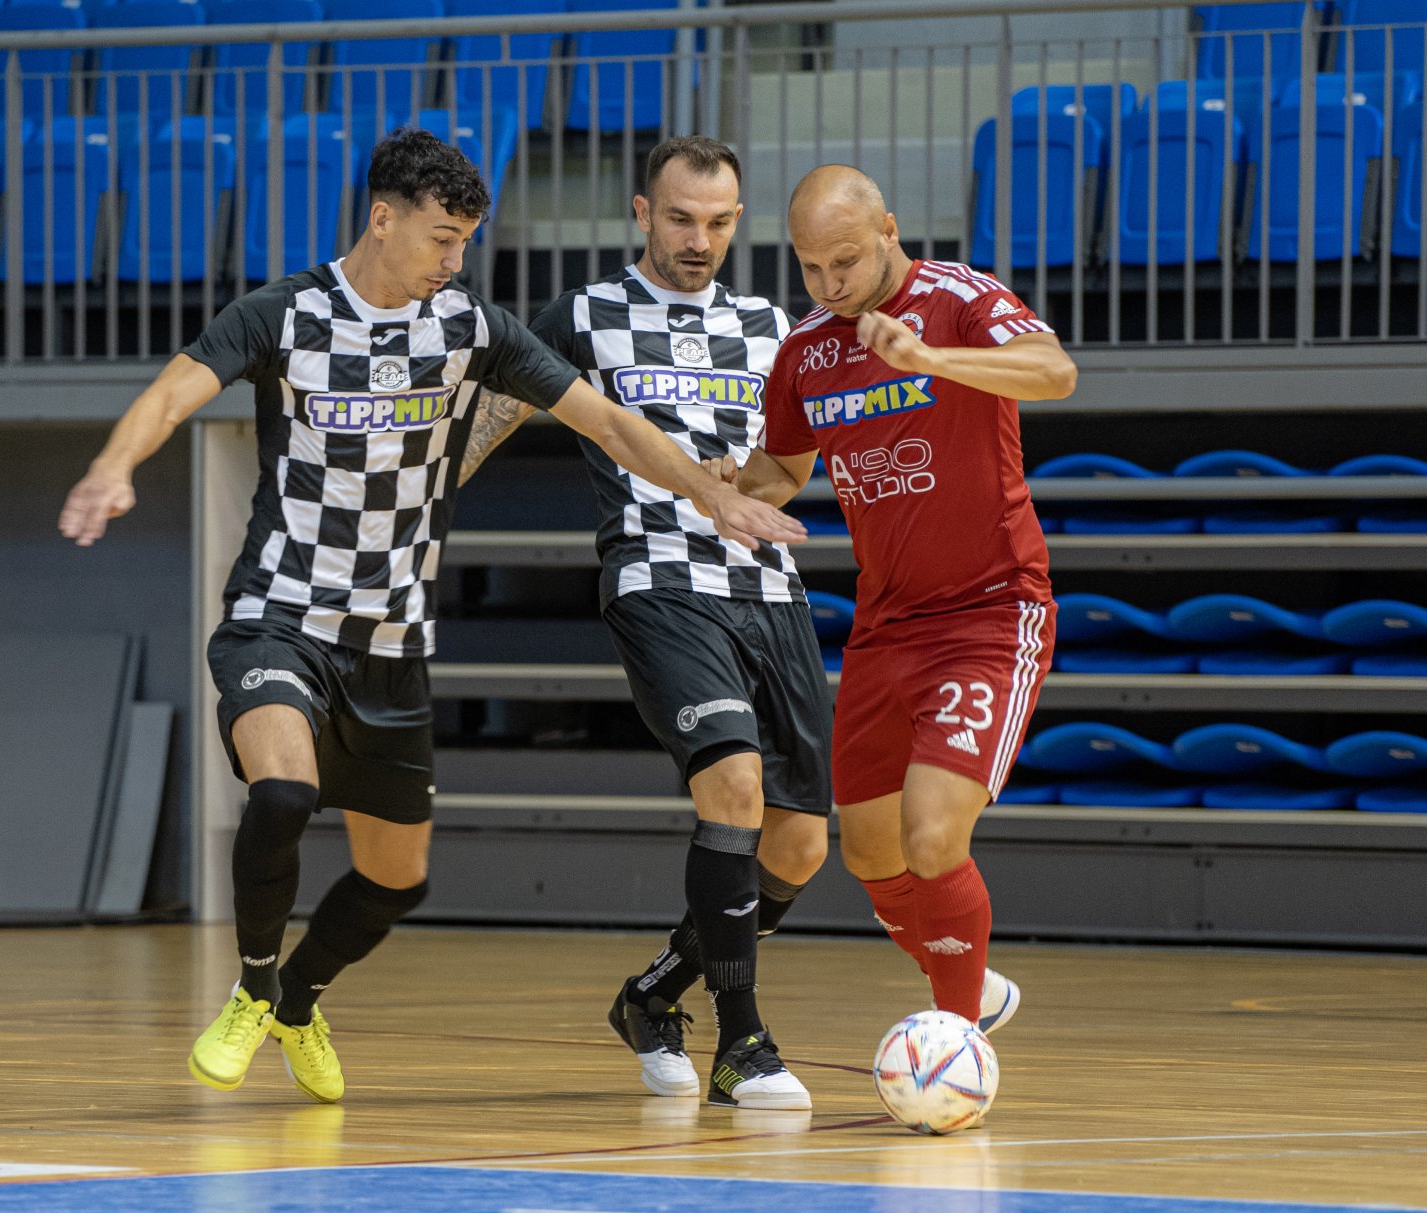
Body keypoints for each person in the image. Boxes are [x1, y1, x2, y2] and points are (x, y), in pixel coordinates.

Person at [57, 128, 804, 1106]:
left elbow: (611, 422)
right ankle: (251, 986)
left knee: (397, 878)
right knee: (282, 791)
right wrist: (114, 467)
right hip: (280, 614)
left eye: (465, 245)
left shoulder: (473, 330)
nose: (454, 263)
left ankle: (297, 997)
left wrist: (715, 498)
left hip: (393, 646)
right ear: (384, 216)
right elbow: (170, 393)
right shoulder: (285, 314)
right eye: (442, 240)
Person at [461, 137, 831, 1110]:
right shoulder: (584, 314)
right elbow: (489, 418)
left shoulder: (771, 325)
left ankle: (655, 993)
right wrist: (409, 514)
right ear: (639, 212)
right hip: (657, 580)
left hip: (769, 586)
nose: (697, 239)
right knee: (735, 786)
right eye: (679, 218)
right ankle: (743, 1042)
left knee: (799, 846)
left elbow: (800, 452)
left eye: (717, 221)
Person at [730, 164, 1077, 1049]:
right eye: (810, 268)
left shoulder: (959, 299)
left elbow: (1053, 371)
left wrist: (931, 360)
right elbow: (781, 465)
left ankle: (955, 1042)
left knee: (931, 836)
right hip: (887, 625)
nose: (830, 284)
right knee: (871, 854)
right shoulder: (807, 350)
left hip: (992, 614)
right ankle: (969, 983)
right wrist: (723, 492)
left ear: (889, 228)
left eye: (844, 260)